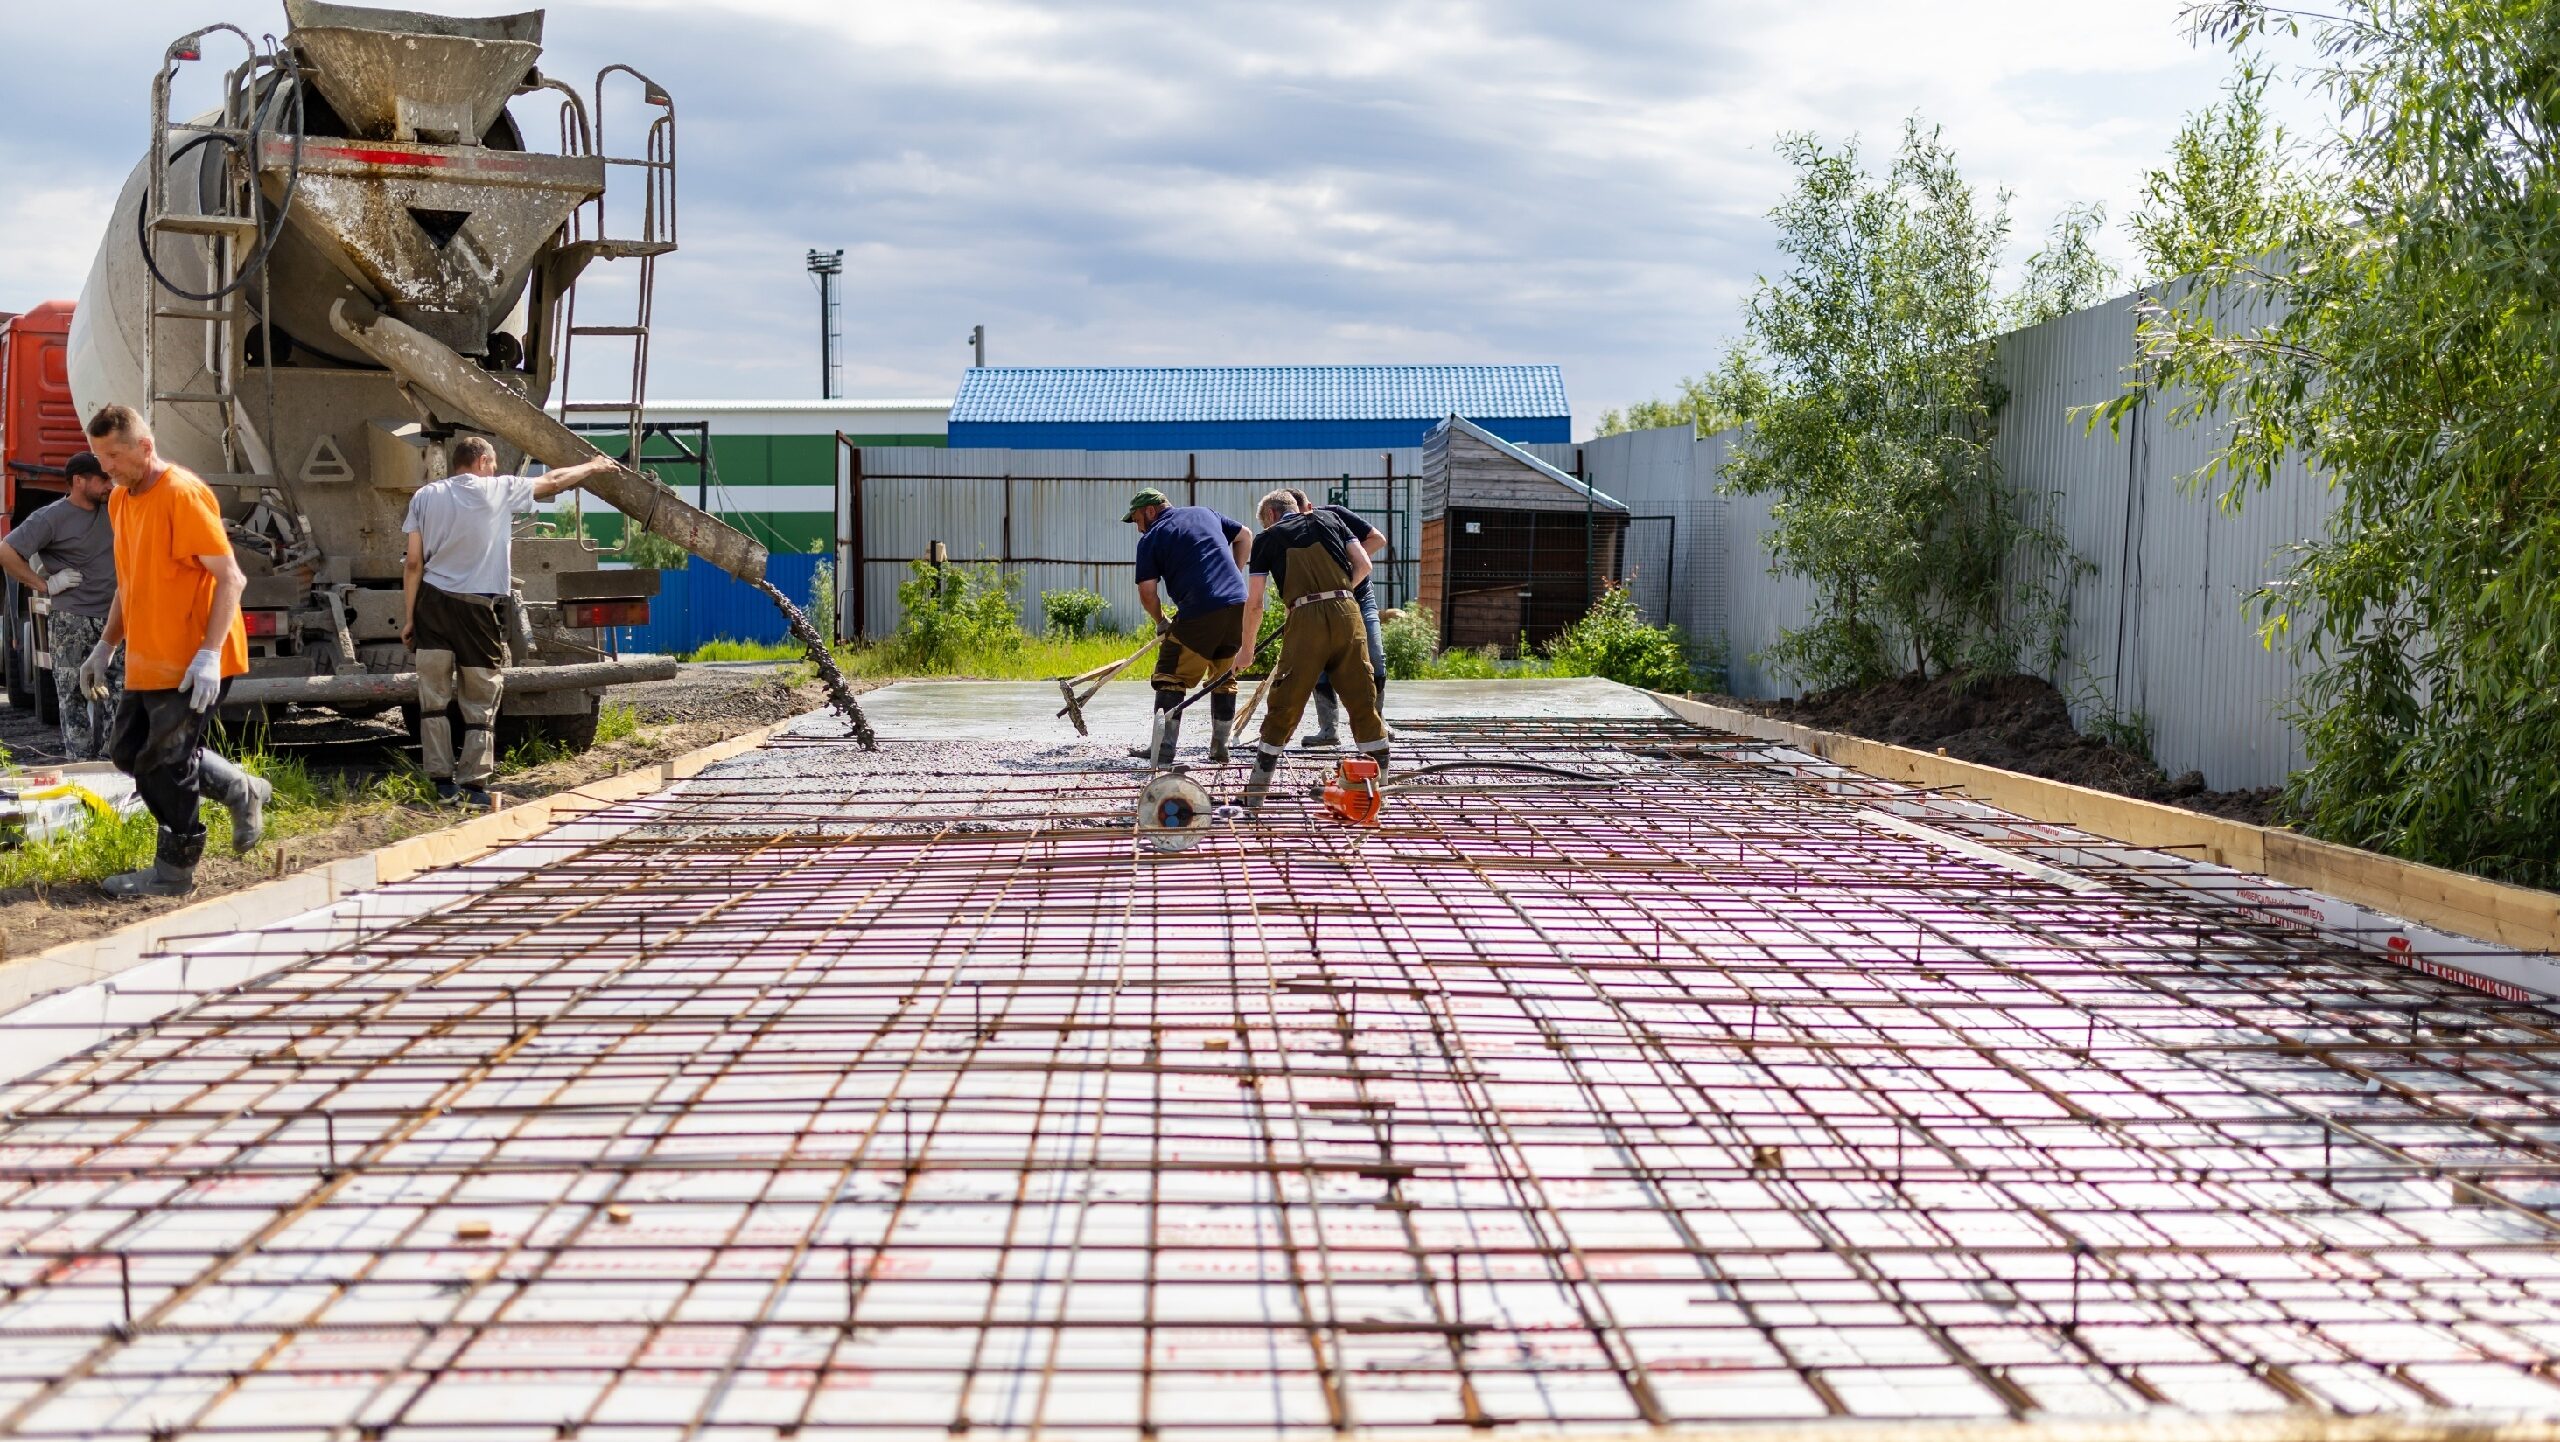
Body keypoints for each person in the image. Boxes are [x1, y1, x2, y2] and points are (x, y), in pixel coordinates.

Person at [78, 404, 265, 898]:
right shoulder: (121, 501)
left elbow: (231, 577)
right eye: (100, 458)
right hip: (149, 659)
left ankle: (174, 872)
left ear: (144, 446)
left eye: (114, 455)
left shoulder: (181, 494)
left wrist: (207, 655)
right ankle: (239, 788)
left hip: (192, 661)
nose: (106, 468)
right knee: (127, 753)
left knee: (164, 763)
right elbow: (130, 579)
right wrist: (105, 644)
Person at [402, 436, 614, 808]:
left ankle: (439, 782)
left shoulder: (424, 496)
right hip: (475, 606)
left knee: (432, 698)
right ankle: (472, 785)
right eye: (494, 463)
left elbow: (413, 563)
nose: (496, 470)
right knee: (481, 696)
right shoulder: (498, 490)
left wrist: (409, 619)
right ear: (482, 461)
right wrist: (592, 466)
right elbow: (555, 480)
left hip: (430, 604)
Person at [1235, 490, 1387, 812]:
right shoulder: (1332, 519)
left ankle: (1255, 796)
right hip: (1349, 612)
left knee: (1285, 705)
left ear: (1272, 516)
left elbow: (1255, 603)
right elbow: (1364, 564)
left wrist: (1247, 649)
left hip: (1305, 620)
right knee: (1363, 702)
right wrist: (1339, 592)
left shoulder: (1267, 539)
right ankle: (1379, 792)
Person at [0, 452, 120, 758]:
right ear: (79, 481)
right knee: (72, 698)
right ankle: (80, 766)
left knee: (118, 697)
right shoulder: (50, 518)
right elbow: (7, 552)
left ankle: (113, 766)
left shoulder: (116, 507)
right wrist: (44, 585)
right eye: (102, 478)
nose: (110, 484)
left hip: (115, 621)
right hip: (72, 621)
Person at [1125, 486, 1253, 764]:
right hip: (1237, 604)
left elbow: (1147, 593)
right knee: (1223, 675)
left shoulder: (1152, 538)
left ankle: (1163, 750)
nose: (1138, 528)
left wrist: (1161, 622)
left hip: (1201, 610)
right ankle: (1220, 748)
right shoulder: (1204, 513)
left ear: (1150, 510)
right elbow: (1245, 536)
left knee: (1170, 674)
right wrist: (1233, 573)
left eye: (1136, 520)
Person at [1282, 489, 1391, 749]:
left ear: (1309, 506)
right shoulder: (1287, 532)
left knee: (1374, 655)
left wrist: (1345, 573)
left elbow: (1376, 539)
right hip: (1316, 604)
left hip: (1358, 597)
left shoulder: (1334, 515)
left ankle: (1378, 721)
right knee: (1319, 660)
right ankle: (1328, 729)